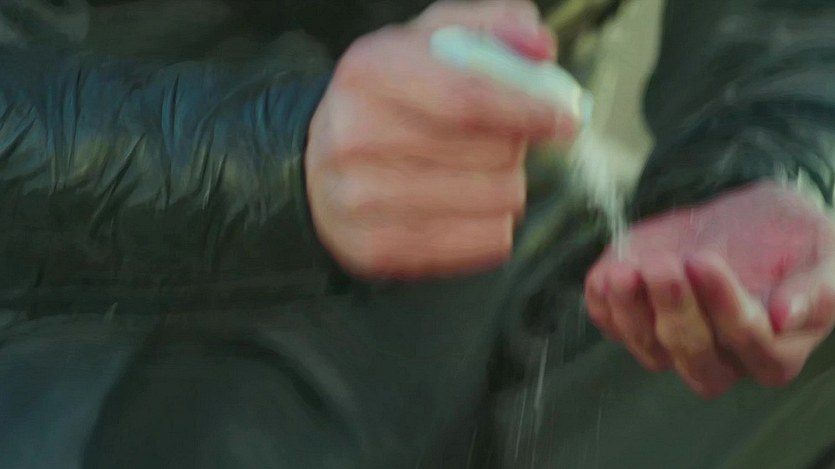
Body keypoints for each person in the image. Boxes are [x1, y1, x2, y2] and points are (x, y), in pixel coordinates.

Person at [0, 0, 833, 468]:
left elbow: (789, 29)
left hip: (491, 227)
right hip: (73, 283)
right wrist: (273, 153)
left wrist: (774, 170)